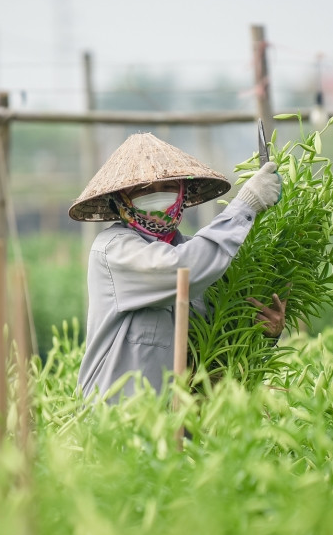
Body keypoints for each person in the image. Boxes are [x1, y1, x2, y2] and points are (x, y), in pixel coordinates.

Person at [68, 132, 285, 401]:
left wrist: (264, 335)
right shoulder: (113, 250)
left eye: (168, 187)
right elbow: (180, 271)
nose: (158, 196)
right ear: (120, 201)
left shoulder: (202, 258)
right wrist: (245, 205)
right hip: (116, 431)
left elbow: (224, 350)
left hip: (181, 433)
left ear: (183, 193)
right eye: (143, 190)